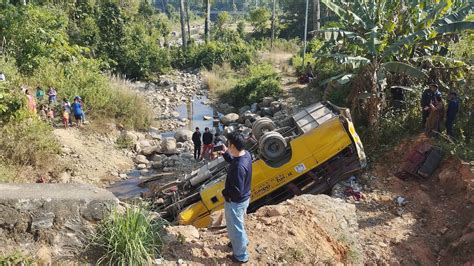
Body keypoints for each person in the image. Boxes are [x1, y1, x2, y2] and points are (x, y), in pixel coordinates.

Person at [222, 132, 252, 264]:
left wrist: (225, 193)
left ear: (233, 146)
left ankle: (241, 256)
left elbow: (236, 192)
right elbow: (234, 160)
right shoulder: (246, 154)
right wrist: (225, 153)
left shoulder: (238, 167)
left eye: (229, 145)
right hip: (245, 198)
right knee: (238, 224)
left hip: (236, 202)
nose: (228, 146)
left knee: (236, 226)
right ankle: (241, 242)